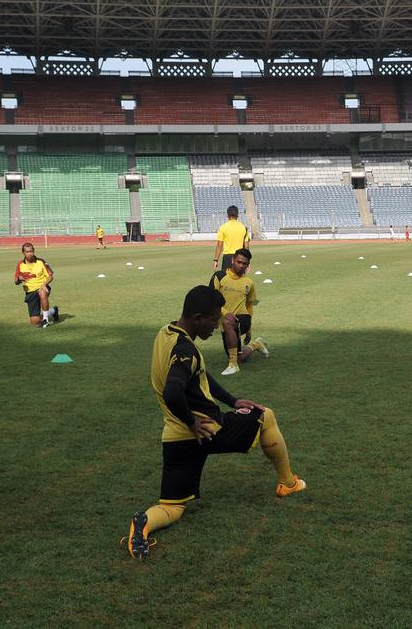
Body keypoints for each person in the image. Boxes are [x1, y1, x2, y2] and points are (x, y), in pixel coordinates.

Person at [123, 286, 306, 560]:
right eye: (212, 320)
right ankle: (288, 482)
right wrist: (193, 423)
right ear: (197, 318)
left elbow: (199, 373)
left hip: (175, 438)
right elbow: (174, 390)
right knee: (265, 415)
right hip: (208, 430)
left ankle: (144, 523)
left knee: (172, 507)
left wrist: (233, 400)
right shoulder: (187, 349)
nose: (217, 325)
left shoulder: (167, 333)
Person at [209, 247, 269, 376]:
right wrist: (225, 313)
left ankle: (232, 365)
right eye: (239, 262)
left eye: (244, 263)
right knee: (240, 357)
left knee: (227, 322)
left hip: (242, 318)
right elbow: (211, 299)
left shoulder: (249, 283)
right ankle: (256, 345)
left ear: (248, 265)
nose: (241, 265)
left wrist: (249, 329)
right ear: (232, 260)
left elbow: (250, 305)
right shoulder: (219, 276)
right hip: (226, 320)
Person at [15, 242, 59, 328]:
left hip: (42, 288)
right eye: (27, 252)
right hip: (30, 292)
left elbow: (50, 277)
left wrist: (44, 284)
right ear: (23, 253)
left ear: (34, 251)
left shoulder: (41, 261)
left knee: (42, 292)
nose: (30, 253)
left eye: (31, 251)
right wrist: (19, 279)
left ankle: (45, 320)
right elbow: (16, 281)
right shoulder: (20, 264)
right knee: (35, 322)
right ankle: (53, 311)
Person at [213, 206, 250, 272]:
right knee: (240, 280)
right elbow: (246, 246)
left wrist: (216, 260)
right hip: (240, 258)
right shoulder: (243, 227)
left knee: (227, 280)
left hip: (227, 258)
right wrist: (247, 261)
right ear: (237, 215)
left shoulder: (223, 228)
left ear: (227, 215)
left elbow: (219, 245)